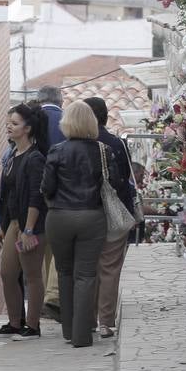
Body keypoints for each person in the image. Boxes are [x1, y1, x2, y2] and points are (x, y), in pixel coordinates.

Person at [42, 100, 134, 348]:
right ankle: (82, 336)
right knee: (86, 275)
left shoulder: (57, 151)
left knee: (64, 272)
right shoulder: (104, 150)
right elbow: (116, 183)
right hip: (92, 217)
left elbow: (47, 187)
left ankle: (68, 330)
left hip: (59, 216)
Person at [85, 97, 138, 338]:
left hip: (85, 212)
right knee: (109, 268)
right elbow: (124, 178)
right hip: (114, 214)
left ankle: (88, 319)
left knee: (89, 267)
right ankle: (105, 321)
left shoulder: (76, 144)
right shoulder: (115, 143)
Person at [0, 102, 49, 338]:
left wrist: (29, 229)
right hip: (13, 222)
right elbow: (6, 194)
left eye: (14, 124)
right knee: (7, 273)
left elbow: (36, 196)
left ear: (27, 128)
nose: (9, 127)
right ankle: (15, 321)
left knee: (32, 275)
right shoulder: (11, 155)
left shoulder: (35, 158)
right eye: (8, 123)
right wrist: (3, 224)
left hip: (31, 225)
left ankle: (33, 324)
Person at [36, 86, 66, 323]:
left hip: (35, 192)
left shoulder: (31, 119)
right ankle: (53, 297)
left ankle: (47, 298)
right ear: (61, 101)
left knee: (44, 248)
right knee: (58, 247)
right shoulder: (67, 120)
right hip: (62, 195)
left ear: (38, 100)